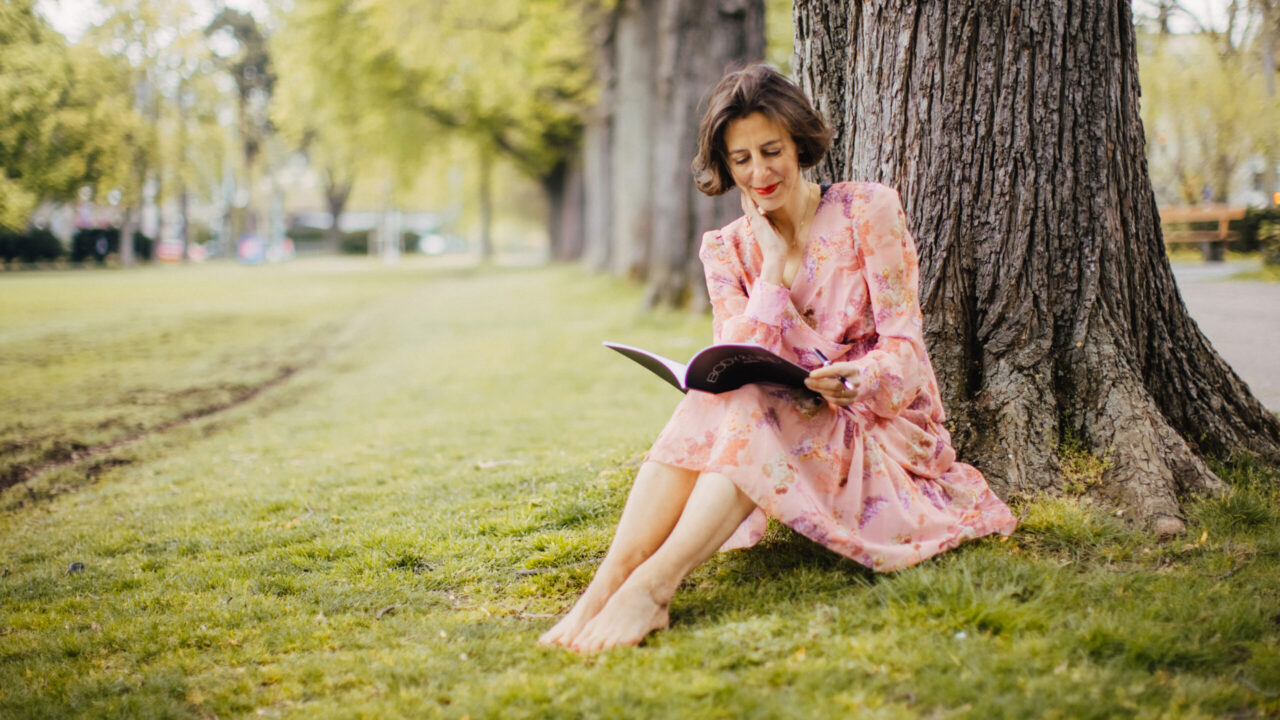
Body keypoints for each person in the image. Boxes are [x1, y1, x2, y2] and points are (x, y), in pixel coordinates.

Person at [539, 64, 1017, 654]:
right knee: (731, 391)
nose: (759, 173)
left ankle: (653, 589)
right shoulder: (725, 248)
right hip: (774, 420)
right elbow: (739, 355)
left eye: (771, 151)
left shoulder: (869, 211)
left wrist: (859, 377)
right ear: (725, 165)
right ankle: (608, 582)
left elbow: (906, 348)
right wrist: (769, 272)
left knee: (750, 398)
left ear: (798, 143)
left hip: (877, 426)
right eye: (741, 159)